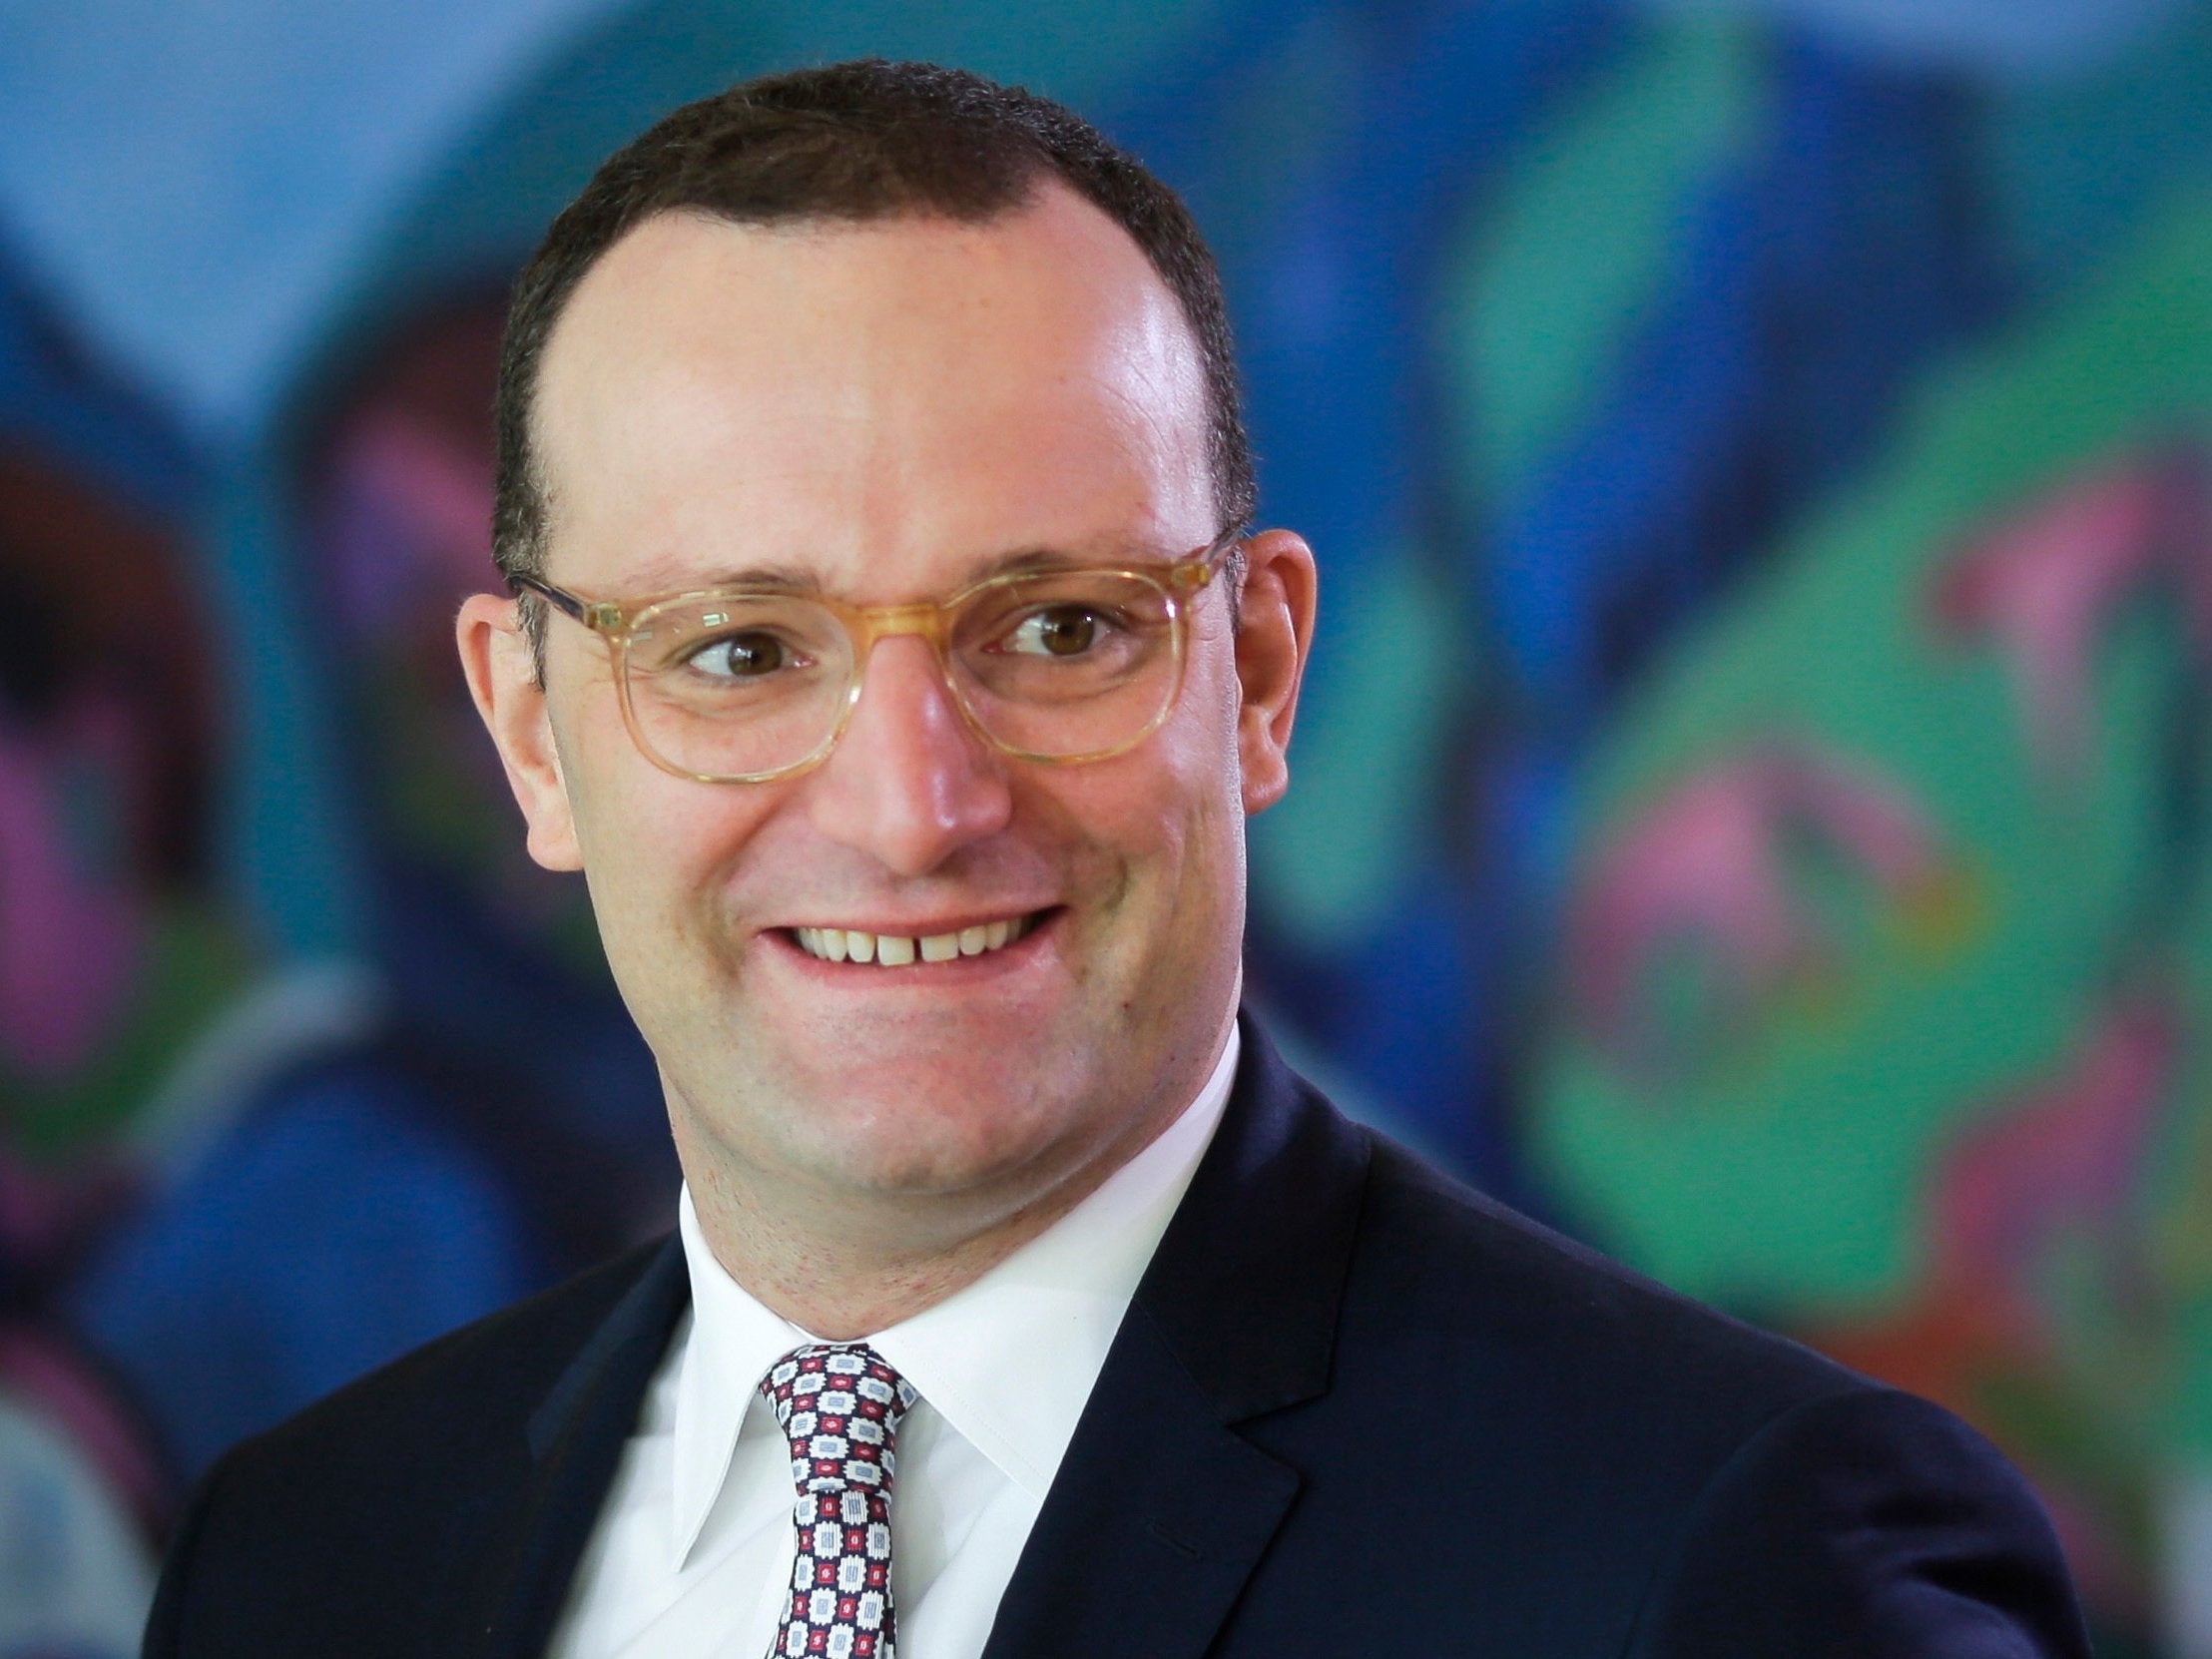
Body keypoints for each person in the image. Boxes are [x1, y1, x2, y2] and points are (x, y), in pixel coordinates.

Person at [143, 59, 2090, 1658]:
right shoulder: (298, 1567)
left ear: (1252, 672)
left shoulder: (1733, 1567)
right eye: (739, 653)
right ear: (526, 735)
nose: (912, 812)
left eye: (1056, 630)